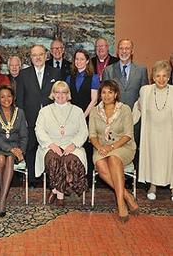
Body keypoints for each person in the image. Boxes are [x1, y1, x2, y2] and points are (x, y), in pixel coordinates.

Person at [89, 80, 138, 222]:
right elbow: (92, 135)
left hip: (123, 147)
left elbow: (128, 135)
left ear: (116, 94)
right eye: (103, 92)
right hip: (101, 147)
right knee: (100, 164)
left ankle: (121, 204)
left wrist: (110, 148)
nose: (107, 95)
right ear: (100, 95)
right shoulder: (94, 111)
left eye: (110, 92)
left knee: (114, 159)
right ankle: (127, 195)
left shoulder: (125, 109)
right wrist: (100, 148)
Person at [35, 81, 88, 206]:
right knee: (54, 161)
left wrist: (74, 145)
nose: (60, 95)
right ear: (53, 94)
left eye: (63, 92)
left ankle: (56, 191)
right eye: (57, 92)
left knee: (71, 161)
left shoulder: (77, 111)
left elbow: (84, 131)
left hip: (72, 146)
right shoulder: (45, 111)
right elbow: (39, 129)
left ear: (68, 94)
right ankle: (60, 196)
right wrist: (51, 145)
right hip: (50, 145)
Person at [103, 38, 148, 179]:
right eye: (121, 48)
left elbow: (144, 95)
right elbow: (104, 95)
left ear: (132, 51)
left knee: (132, 147)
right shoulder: (109, 70)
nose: (124, 51)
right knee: (116, 147)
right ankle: (116, 178)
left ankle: (131, 179)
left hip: (135, 118)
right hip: (114, 119)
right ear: (117, 51)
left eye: (127, 48)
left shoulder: (141, 70)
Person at [16, 44, 60, 187]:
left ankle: (51, 180)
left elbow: (60, 97)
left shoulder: (55, 73)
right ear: (31, 58)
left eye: (40, 54)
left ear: (46, 55)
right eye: (34, 55)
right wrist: (23, 121)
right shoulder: (23, 74)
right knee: (31, 149)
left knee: (50, 149)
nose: (38, 57)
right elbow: (20, 101)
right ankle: (33, 180)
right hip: (30, 119)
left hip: (51, 120)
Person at [0, 85, 28, 216]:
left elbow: (24, 136)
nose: (6, 99)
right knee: (1, 158)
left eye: (9, 96)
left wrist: (20, 150)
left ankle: (2, 199)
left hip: (16, 149)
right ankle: (3, 196)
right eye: (3, 96)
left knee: (9, 158)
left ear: (13, 97)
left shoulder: (20, 112)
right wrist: (11, 149)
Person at [138, 60, 173, 201]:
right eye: (158, 76)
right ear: (153, 77)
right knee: (153, 159)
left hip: (169, 133)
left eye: (164, 76)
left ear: (169, 77)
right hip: (151, 133)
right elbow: (138, 108)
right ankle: (152, 186)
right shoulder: (145, 91)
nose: (161, 79)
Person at [66, 49, 100, 186]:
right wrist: (73, 117)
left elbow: (94, 100)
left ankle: (88, 181)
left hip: (88, 117)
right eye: (76, 59)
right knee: (73, 148)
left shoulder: (94, 78)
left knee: (87, 148)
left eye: (81, 59)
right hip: (72, 118)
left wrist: (82, 116)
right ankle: (72, 180)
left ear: (87, 61)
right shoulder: (69, 78)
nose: (79, 62)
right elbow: (67, 99)